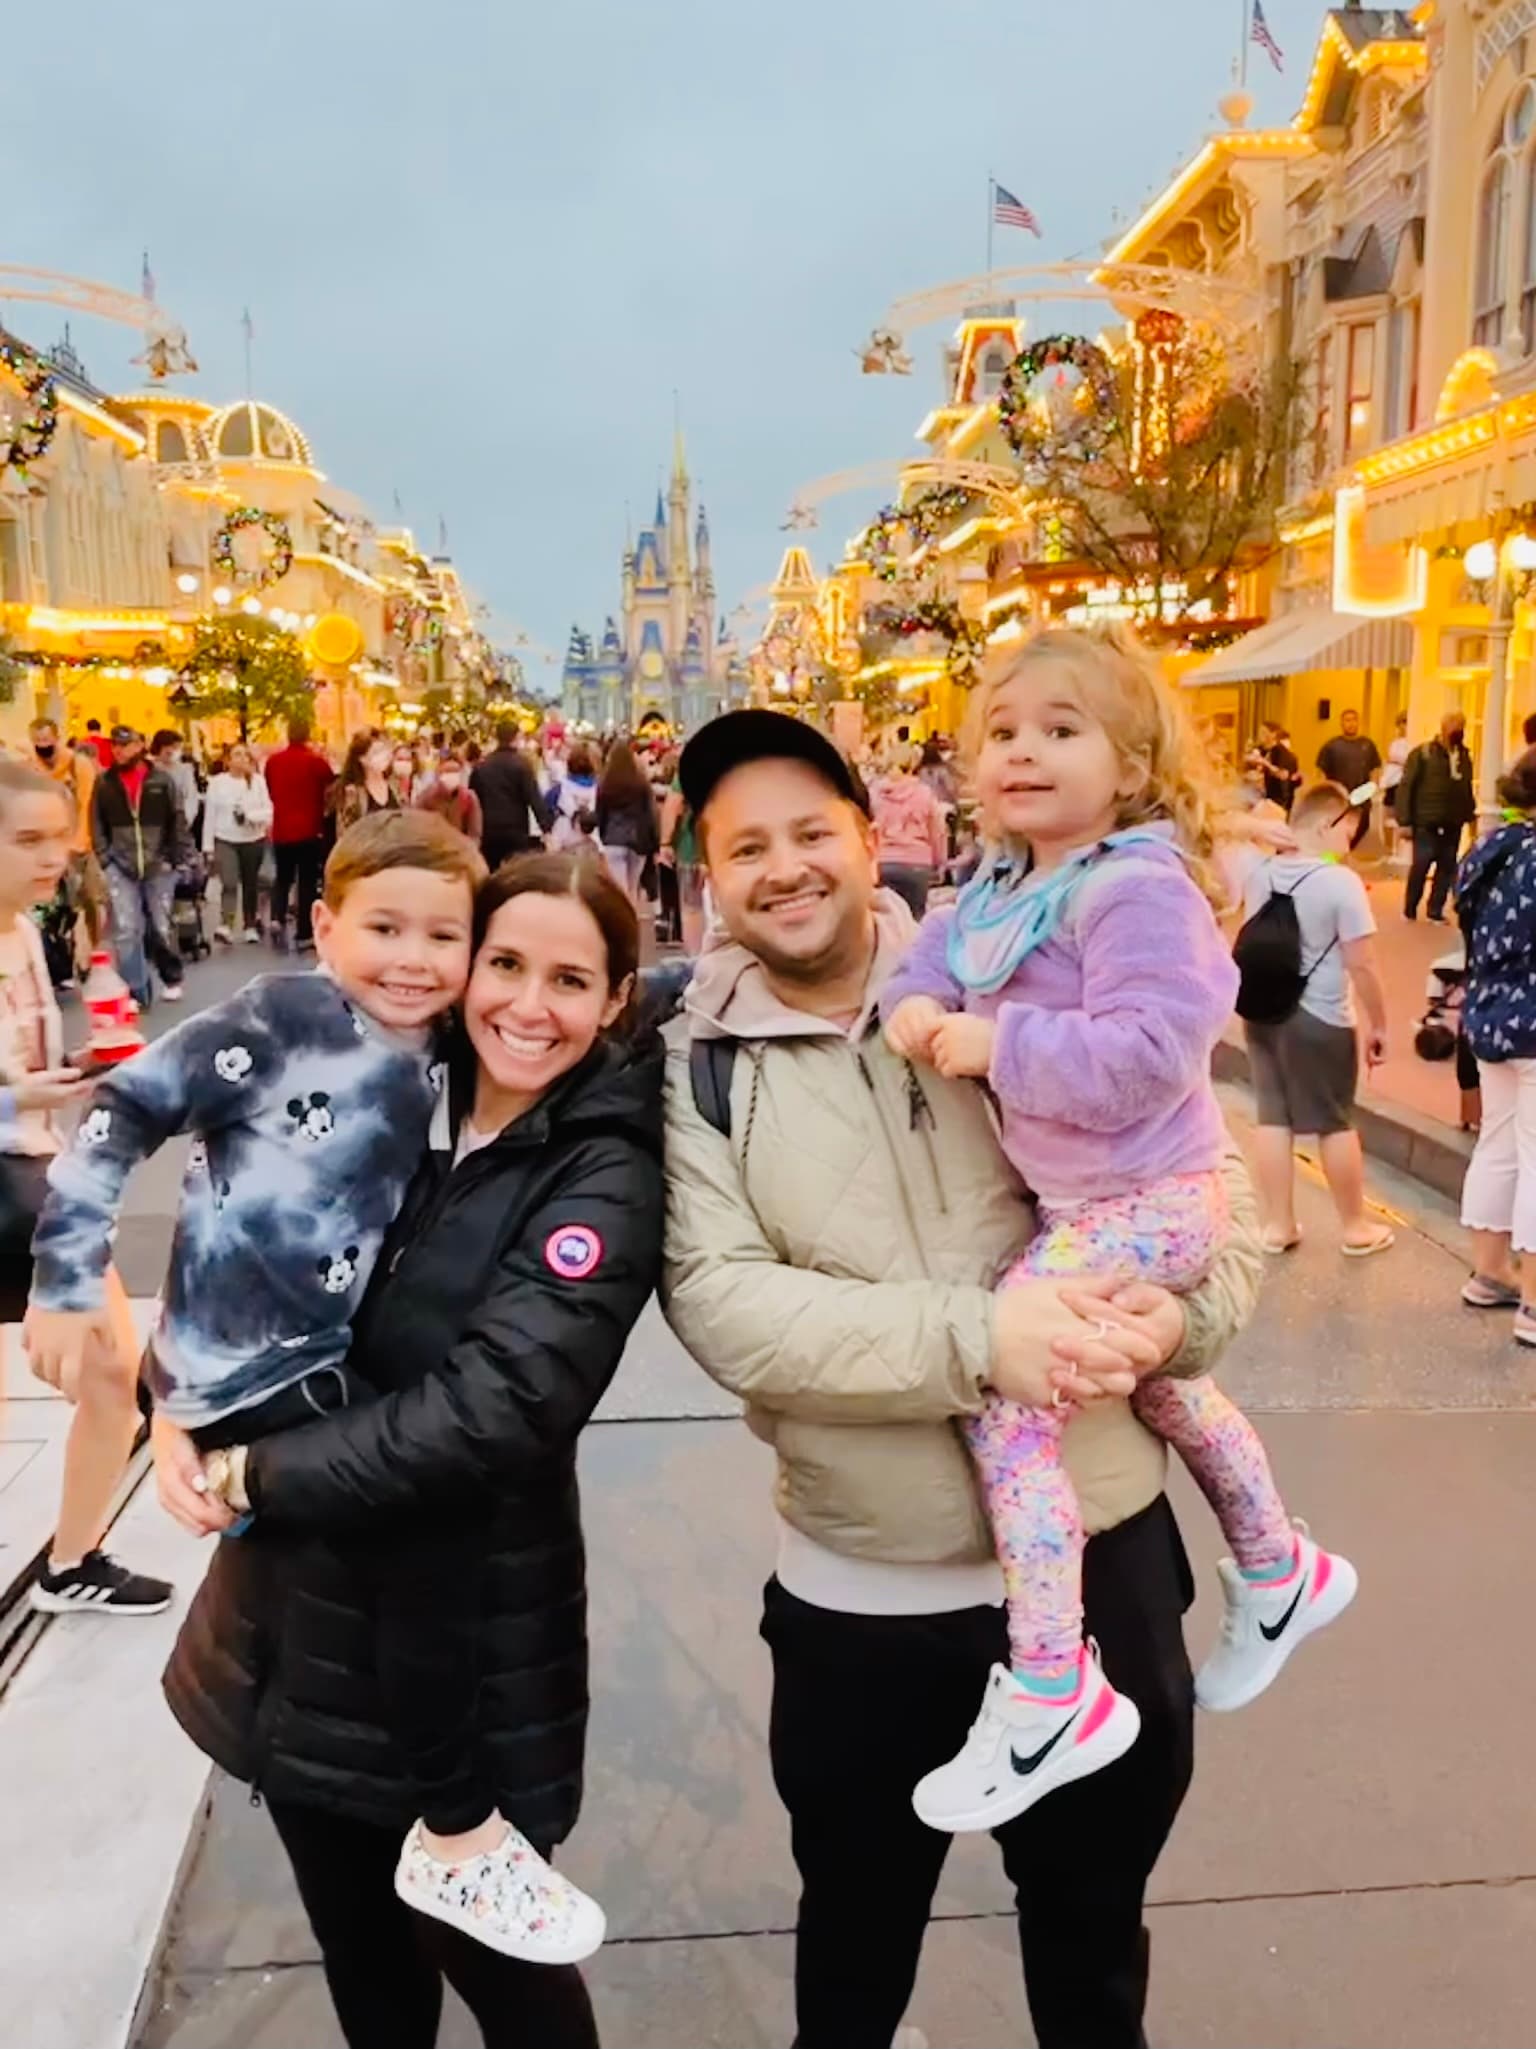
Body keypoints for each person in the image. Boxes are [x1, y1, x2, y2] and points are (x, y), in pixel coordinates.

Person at [661, 706, 1264, 2049]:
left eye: (813, 831)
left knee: (1093, 1946)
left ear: (871, 838)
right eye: (745, 845)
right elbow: (725, 1302)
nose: (787, 867)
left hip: (1103, 1565)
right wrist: (980, 1340)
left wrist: (1175, 1329)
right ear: (710, 873)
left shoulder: (1020, 969)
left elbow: (1211, 1192)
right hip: (863, 1605)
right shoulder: (696, 1062)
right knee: (857, 1948)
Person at [27, 816, 606, 1971]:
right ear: (325, 925)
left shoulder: (446, 1043)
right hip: (249, 1369)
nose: (413, 958)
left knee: (402, 1543)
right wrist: (67, 1275)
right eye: (383, 928)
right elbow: (120, 1110)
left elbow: (604, 994)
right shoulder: (278, 1021)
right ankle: (455, 1830)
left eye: (445, 935)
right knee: (421, 1534)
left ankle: (424, 1822)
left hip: (320, 1363)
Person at [151, 852, 664, 2049]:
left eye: (571, 980)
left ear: (615, 1003)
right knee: (365, 1965)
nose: (529, 1006)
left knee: (510, 1985)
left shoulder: (602, 1170)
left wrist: (253, 1471)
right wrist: (170, 1389)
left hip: (466, 1644)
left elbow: (496, 1407)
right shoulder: (369, 1087)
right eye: (506, 965)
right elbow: (231, 1248)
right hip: (293, 1634)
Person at [880, 628, 1354, 1829]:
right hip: (1090, 1203)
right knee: (1155, 1385)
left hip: (1153, 1194)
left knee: (1011, 1384)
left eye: (1060, 728)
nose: (1023, 752)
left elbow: (1156, 1054)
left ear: (1133, 758)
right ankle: (1281, 1566)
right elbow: (919, 971)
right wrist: (914, 1010)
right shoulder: (997, 886)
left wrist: (1002, 1047)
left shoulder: (1135, 888)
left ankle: (1051, 1684)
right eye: (1002, 732)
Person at [0, 762, 170, 1618]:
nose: (50, 860)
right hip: (19, 1185)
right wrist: (15, 1095)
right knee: (110, 1376)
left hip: (39, 1178)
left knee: (116, 1380)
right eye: (25, 840)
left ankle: (72, 1560)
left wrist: (65, 1076)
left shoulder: (26, 932)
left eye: (57, 842)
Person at [1239, 781, 1394, 1257]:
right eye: (1346, 831)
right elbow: (1362, 965)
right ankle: (1354, 1227)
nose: (1348, 842)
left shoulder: (1261, 871)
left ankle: (1277, 1225)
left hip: (1261, 1010)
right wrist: (1380, 1024)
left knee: (1272, 1116)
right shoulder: (1339, 883)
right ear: (1326, 825)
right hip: (1320, 1015)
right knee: (1334, 1121)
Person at [1454, 745, 1536, 1338]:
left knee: (1499, 1142)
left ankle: (1489, 1271)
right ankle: (1534, 1299)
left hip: (1489, 1012)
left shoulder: (1488, 847)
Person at [91, 724, 189, 1008]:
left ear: (140, 745)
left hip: (158, 862)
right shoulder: (105, 783)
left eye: (126, 745)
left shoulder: (161, 780)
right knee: (126, 927)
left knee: (160, 923)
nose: (120, 751)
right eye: (116, 746)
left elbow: (177, 820)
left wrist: (176, 857)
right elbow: (96, 822)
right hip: (120, 864)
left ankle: (172, 977)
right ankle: (135, 989)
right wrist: (105, 857)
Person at [29, 716, 104, 961]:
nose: (43, 745)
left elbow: (86, 806)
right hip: (48, 848)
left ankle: (93, 948)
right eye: (37, 740)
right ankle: (62, 954)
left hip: (81, 846)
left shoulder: (77, 765)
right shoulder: (31, 768)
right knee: (54, 906)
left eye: (46, 739)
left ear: (57, 739)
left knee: (88, 899)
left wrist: (79, 845)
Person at [264, 715, 335, 951]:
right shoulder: (315, 762)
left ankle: (276, 916)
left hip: (282, 829)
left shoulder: (273, 762)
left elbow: (272, 791)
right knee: (306, 882)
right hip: (309, 829)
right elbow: (330, 787)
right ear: (308, 735)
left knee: (282, 878)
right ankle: (304, 931)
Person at [1400, 710, 1476, 923]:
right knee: (1421, 866)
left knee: (1447, 868)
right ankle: (1410, 908)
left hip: (1452, 822)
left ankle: (1435, 910)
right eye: (1455, 725)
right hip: (1426, 821)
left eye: (1462, 725)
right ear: (1444, 727)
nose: (1459, 730)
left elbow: (1466, 788)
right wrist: (1404, 821)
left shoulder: (1463, 756)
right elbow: (1406, 787)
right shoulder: (1423, 754)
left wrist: (1470, 816)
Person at [203, 740, 273, 944]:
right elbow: (210, 815)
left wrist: (250, 815)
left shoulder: (257, 782)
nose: (242, 759)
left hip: (252, 838)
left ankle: (250, 924)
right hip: (226, 838)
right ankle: (226, 923)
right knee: (230, 881)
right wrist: (208, 847)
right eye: (237, 755)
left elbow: (268, 811)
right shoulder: (217, 783)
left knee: (251, 883)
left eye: (245, 755)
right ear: (228, 760)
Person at [870, 743, 948, 918]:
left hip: (883, 861)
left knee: (884, 920)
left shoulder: (875, 793)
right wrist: (940, 863)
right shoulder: (925, 794)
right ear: (913, 764)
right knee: (915, 920)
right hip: (917, 864)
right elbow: (938, 832)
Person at [471, 723, 549, 871]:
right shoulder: (522, 765)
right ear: (516, 738)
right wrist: (546, 828)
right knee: (515, 872)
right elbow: (533, 797)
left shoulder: (482, 766)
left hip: (488, 829)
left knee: (490, 871)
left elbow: (473, 797)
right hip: (516, 829)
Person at [594, 739, 658, 904]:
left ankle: (627, 923)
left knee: (620, 889)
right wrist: (654, 842)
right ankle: (634, 922)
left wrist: (603, 835)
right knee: (633, 886)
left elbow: (600, 814)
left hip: (613, 839)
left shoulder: (605, 783)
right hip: (638, 840)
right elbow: (650, 814)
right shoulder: (641, 782)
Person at [333, 730, 400, 837]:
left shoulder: (395, 786)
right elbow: (345, 834)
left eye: (385, 750)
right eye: (377, 752)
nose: (384, 756)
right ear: (362, 759)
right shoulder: (353, 792)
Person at [416, 753, 484, 844]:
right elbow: (417, 825)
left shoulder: (469, 798)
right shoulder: (427, 796)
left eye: (455, 772)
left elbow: (475, 833)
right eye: (447, 771)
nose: (451, 776)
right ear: (439, 773)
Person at [546, 743, 599, 853]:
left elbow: (545, 811)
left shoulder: (559, 789)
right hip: (592, 840)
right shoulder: (601, 790)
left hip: (562, 840)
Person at [150, 728, 201, 835]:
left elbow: (191, 796)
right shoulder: (148, 768)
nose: (172, 751)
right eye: (169, 747)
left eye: (176, 748)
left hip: (178, 822)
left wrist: (186, 819)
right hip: (152, 823)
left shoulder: (185, 770)